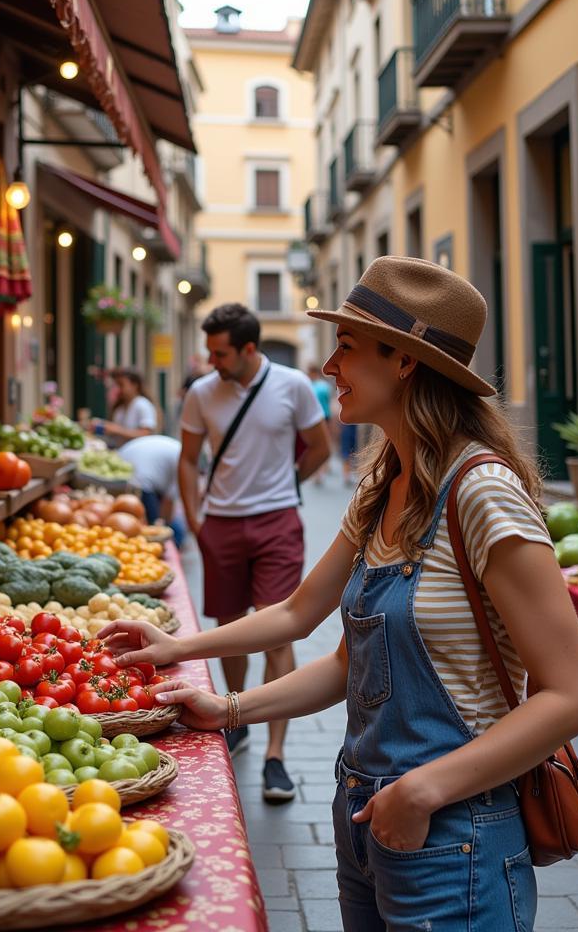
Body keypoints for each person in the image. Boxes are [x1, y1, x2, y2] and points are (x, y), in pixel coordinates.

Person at [99, 258, 578, 930]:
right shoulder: (383, 486)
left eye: (348, 348)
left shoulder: (482, 493)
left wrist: (422, 791)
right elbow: (316, 630)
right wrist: (218, 694)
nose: (330, 366)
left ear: (405, 364)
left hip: (457, 835)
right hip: (364, 816)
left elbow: (573, 696)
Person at [178, 303, 331, 802]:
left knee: (278, 628)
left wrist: (288, 486)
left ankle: (276, 755)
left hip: (277, 524)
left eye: (220, 353)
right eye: (210, 352)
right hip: (220, 524)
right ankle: (236, 717)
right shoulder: (202, 393)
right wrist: (197, 519)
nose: (212, 361)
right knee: (230, 629)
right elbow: (187, 459)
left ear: (248, 349)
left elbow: (320, 446)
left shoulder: (293, 385)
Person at [116, 434, 186, 547]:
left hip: (124, 460)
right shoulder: (184, 462)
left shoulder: (178, 449)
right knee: (167, 530)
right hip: (141, 479)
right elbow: (169, 502)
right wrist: (162, 525)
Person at [88, 368, 158, 446]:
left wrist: (116, 430)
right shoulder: (120, 407)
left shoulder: (142, 404)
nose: (118, 389)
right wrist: (104, 426)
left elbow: (146, 433)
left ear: (135, 385)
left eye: (121, 385)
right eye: (116, 385)